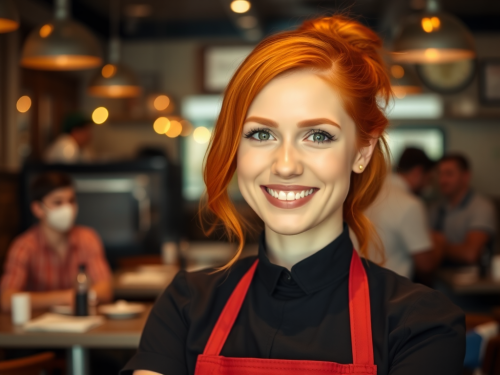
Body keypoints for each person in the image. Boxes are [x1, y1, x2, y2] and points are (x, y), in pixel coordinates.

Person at [122, 15, 465, 375]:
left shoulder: (422, 324)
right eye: (260, 134)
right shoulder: (186, 305)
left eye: (317, 136)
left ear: (362, 152)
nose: (285, 165)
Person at [0, 172, 113, 312]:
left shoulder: (88, 238)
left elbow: (105, 289)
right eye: (57, 202)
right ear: (37, 209)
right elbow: (6, 299)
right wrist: (66, 297)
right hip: (37, 330)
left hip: (82, 328)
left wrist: (76, 297)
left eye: (71, 201)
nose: (67, 209)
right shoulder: (23, 246)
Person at [362, 147, 442, 280]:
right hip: (390, 292)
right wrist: (440, 243)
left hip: (359, 287)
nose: (428, 185)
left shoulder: (368, 192)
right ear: (418, 172)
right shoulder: (411, 204)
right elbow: (426, 265)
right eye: (428, 178)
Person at [431, 153, 497, 269]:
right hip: (438, 280)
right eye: (440, 174)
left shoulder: (481, 207)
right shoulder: (435, 208)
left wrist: (439, 245)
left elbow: (470, 254)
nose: (443, 180)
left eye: (449, 174)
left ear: (465, 177)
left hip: (466, 284)